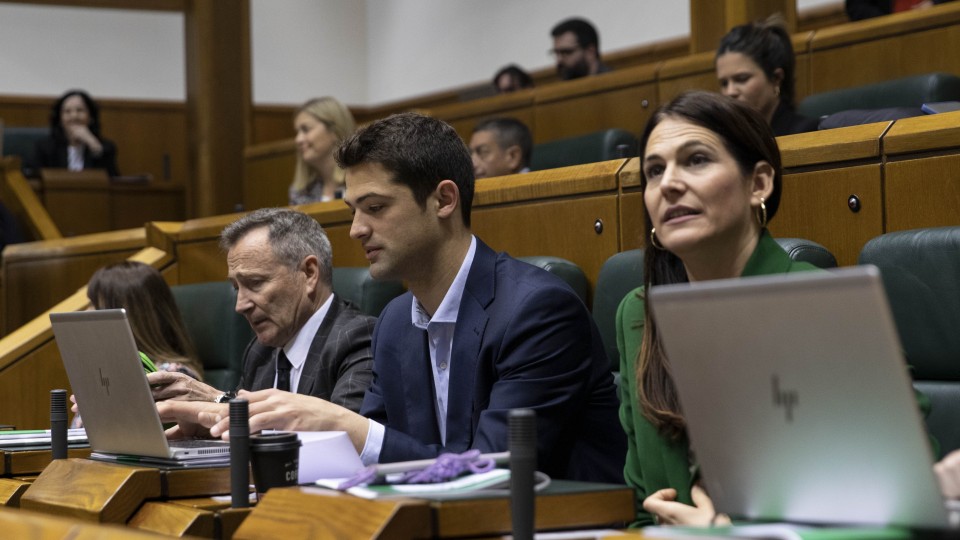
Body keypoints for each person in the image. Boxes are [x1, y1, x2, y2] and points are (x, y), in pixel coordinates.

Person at [160, 112, 626, 483]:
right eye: (353, 211)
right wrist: (227, 435)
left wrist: (345, 425)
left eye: (376, 208)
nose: (358, 229)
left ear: (444, 201)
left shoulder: (536, 310)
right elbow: (372, 460)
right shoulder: (396, 321)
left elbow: (494, 471)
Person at [617, 91, 821, 527]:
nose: (668, 183)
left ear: (759, 184)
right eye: (654, 171)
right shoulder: (637, 315)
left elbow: (895, 498)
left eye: (695, 160)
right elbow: (640, 506)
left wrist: (733, 535)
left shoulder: (819, 303)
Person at [147, 207, 375, 416]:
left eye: (255, 283)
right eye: (237, 288)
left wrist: (218, 401)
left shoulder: (358, 339)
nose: (240, 305)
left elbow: (344, 441)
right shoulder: (260, 352)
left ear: (309, 273)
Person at [88, 261, 203, 379]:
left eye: (96, 306)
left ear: (132, 317)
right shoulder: (110, 366)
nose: (88, 312)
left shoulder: (174, 376)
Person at [715, 16, 819, 136]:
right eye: (724, 83)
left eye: (742, 79)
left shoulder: (806, 132)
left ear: (776, 79)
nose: (730, 92)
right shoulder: (729, 140)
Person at [31, 90, 119, 177]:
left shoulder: (105, 148)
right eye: (67, 112)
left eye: (80, 110)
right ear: (60, 119)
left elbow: (113, 182)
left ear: (91, 117)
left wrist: (93, 144)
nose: (74, 116)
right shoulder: (44, 148)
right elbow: (36, 179)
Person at [289, 97, 356, 205]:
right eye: (297, 132)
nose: (298, 139)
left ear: (334, 130)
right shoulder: (300, 191)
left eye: (306, 129)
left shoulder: (362, 180)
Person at [846, 0, 952, 21]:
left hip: (939, 22)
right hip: (891, 40)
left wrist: (935, 3)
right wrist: (890, 22)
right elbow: (856, 6)